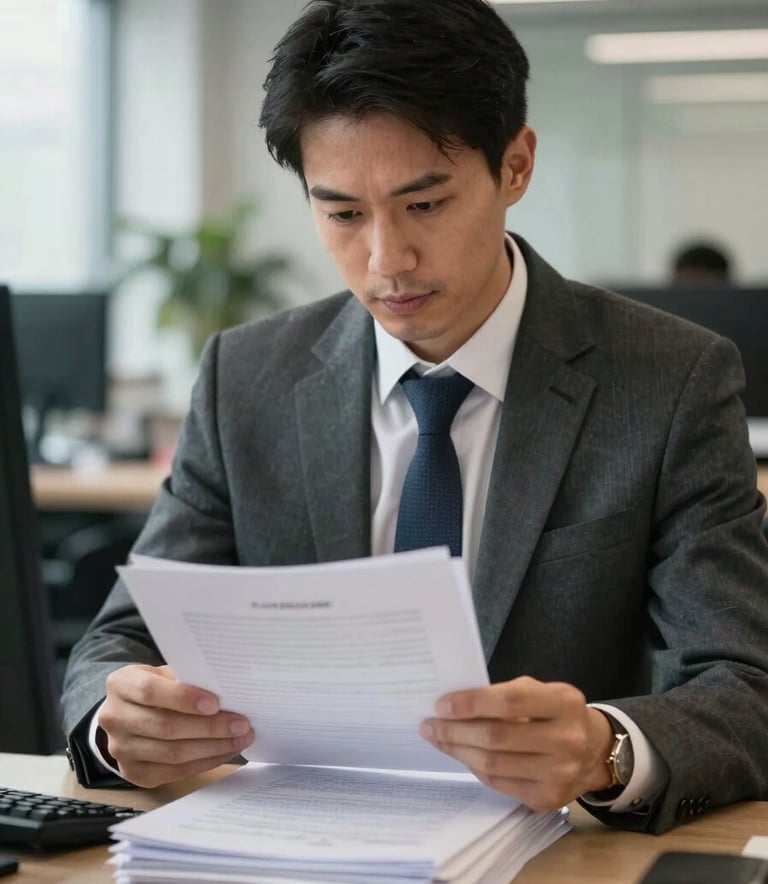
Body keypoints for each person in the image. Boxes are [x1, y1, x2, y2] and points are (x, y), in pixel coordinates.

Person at [61, 0, 768, 835]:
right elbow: (121, 640)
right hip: (291, 845)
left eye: (425, 205)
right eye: (343, 213)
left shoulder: (669, 379)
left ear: (515, 165)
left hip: (555, 854)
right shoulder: (246, 378)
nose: (385, 261)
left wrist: (604, 750)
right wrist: (119, 729)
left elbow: (742, 685)